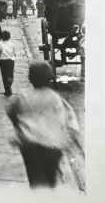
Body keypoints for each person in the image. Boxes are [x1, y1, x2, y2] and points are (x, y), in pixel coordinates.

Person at [6, 61, 84, 189]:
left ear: (30, 79)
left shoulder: (23, 97)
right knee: (50, 177)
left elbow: (11, 110)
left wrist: (18, 127)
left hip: (30, 146)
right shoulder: (56, 98)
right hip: (52, 146)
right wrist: (69, 141)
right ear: (50, 79)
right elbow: (70, 120)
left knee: (35, 178)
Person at [0, 30, 16, 96]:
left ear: (1, 37)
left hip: (2, 61)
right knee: (10, 74)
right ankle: (9, 83)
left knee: (4, 75)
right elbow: (14, 52)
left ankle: (7, 89)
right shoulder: (11, 43)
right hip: (11, 61)